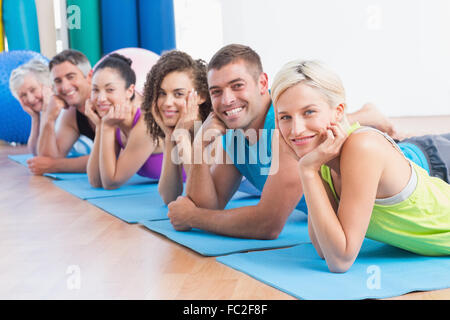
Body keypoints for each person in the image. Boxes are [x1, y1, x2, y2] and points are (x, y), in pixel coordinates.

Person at [167, 44, 405, 239]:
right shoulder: (234, 131)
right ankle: (367, 115)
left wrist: (193, 218)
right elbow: (209, 204)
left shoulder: (285, 129)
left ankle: (367, 115)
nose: (227, 99)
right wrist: (198, 146)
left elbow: (268, 224)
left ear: (262, 84)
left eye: (237, 86)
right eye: (216, 91)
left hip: (422, 168)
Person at [270, 59, 450, 272]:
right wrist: (309, 167)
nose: (296, 129)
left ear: (338, 112)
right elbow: (322, 248)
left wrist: (307, 171)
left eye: (309, 112)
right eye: (285, 117)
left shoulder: (362, 147)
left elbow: (339, 261)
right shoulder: (323, 158)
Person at [141, 50, 212, 204]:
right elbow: (169, 196)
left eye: (178, 94)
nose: (167, 102)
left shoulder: (214, 129)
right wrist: (170, 137)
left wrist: (180, 135)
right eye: (161, 93)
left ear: (201, 96)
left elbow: (200, 197)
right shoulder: (183, 130)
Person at [85, 53, 163, 189]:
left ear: (130, 91)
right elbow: (95, 180)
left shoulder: (146, 125)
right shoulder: (113, 121)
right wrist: (100, 127)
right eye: (95, 90)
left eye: (110, 90)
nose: (101, 98)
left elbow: (111, 182)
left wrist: (107, 128)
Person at [9, 58, 92, 172]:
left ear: (48, 85)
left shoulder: (64, 107)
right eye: (23, 95)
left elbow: (46, 158)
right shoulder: (45, 111)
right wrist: (35, 118)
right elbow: (36, 152)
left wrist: (53, 164)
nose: (30, 99)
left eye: (33, 90)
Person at [36, 49, 95, 174]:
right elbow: (46, 160)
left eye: (70, 77)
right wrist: (48, 118)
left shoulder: (106, 102)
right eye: (58, 81)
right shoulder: (72, 113)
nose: (65, 87)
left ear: (89, 76)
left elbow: (110, 159)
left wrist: (55, 166)